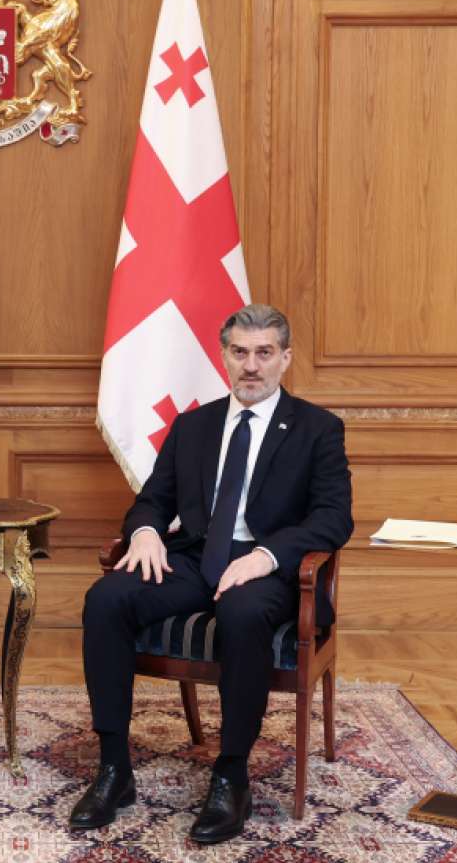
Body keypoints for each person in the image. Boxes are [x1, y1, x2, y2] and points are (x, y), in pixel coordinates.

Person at [72, 303, 352, 843]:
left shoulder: (317, 429)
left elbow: (333, 517)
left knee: (242, 612)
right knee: (105, 598)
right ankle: (113, 768)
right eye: (240, 352)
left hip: (267, 568)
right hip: (197, 558)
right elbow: (153, 500)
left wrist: (266, 556)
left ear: (285, 359)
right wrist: (146, 532)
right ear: (223, 356)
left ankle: (231, 776)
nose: (251, 365)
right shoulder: (194, 426)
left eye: (264, 353)